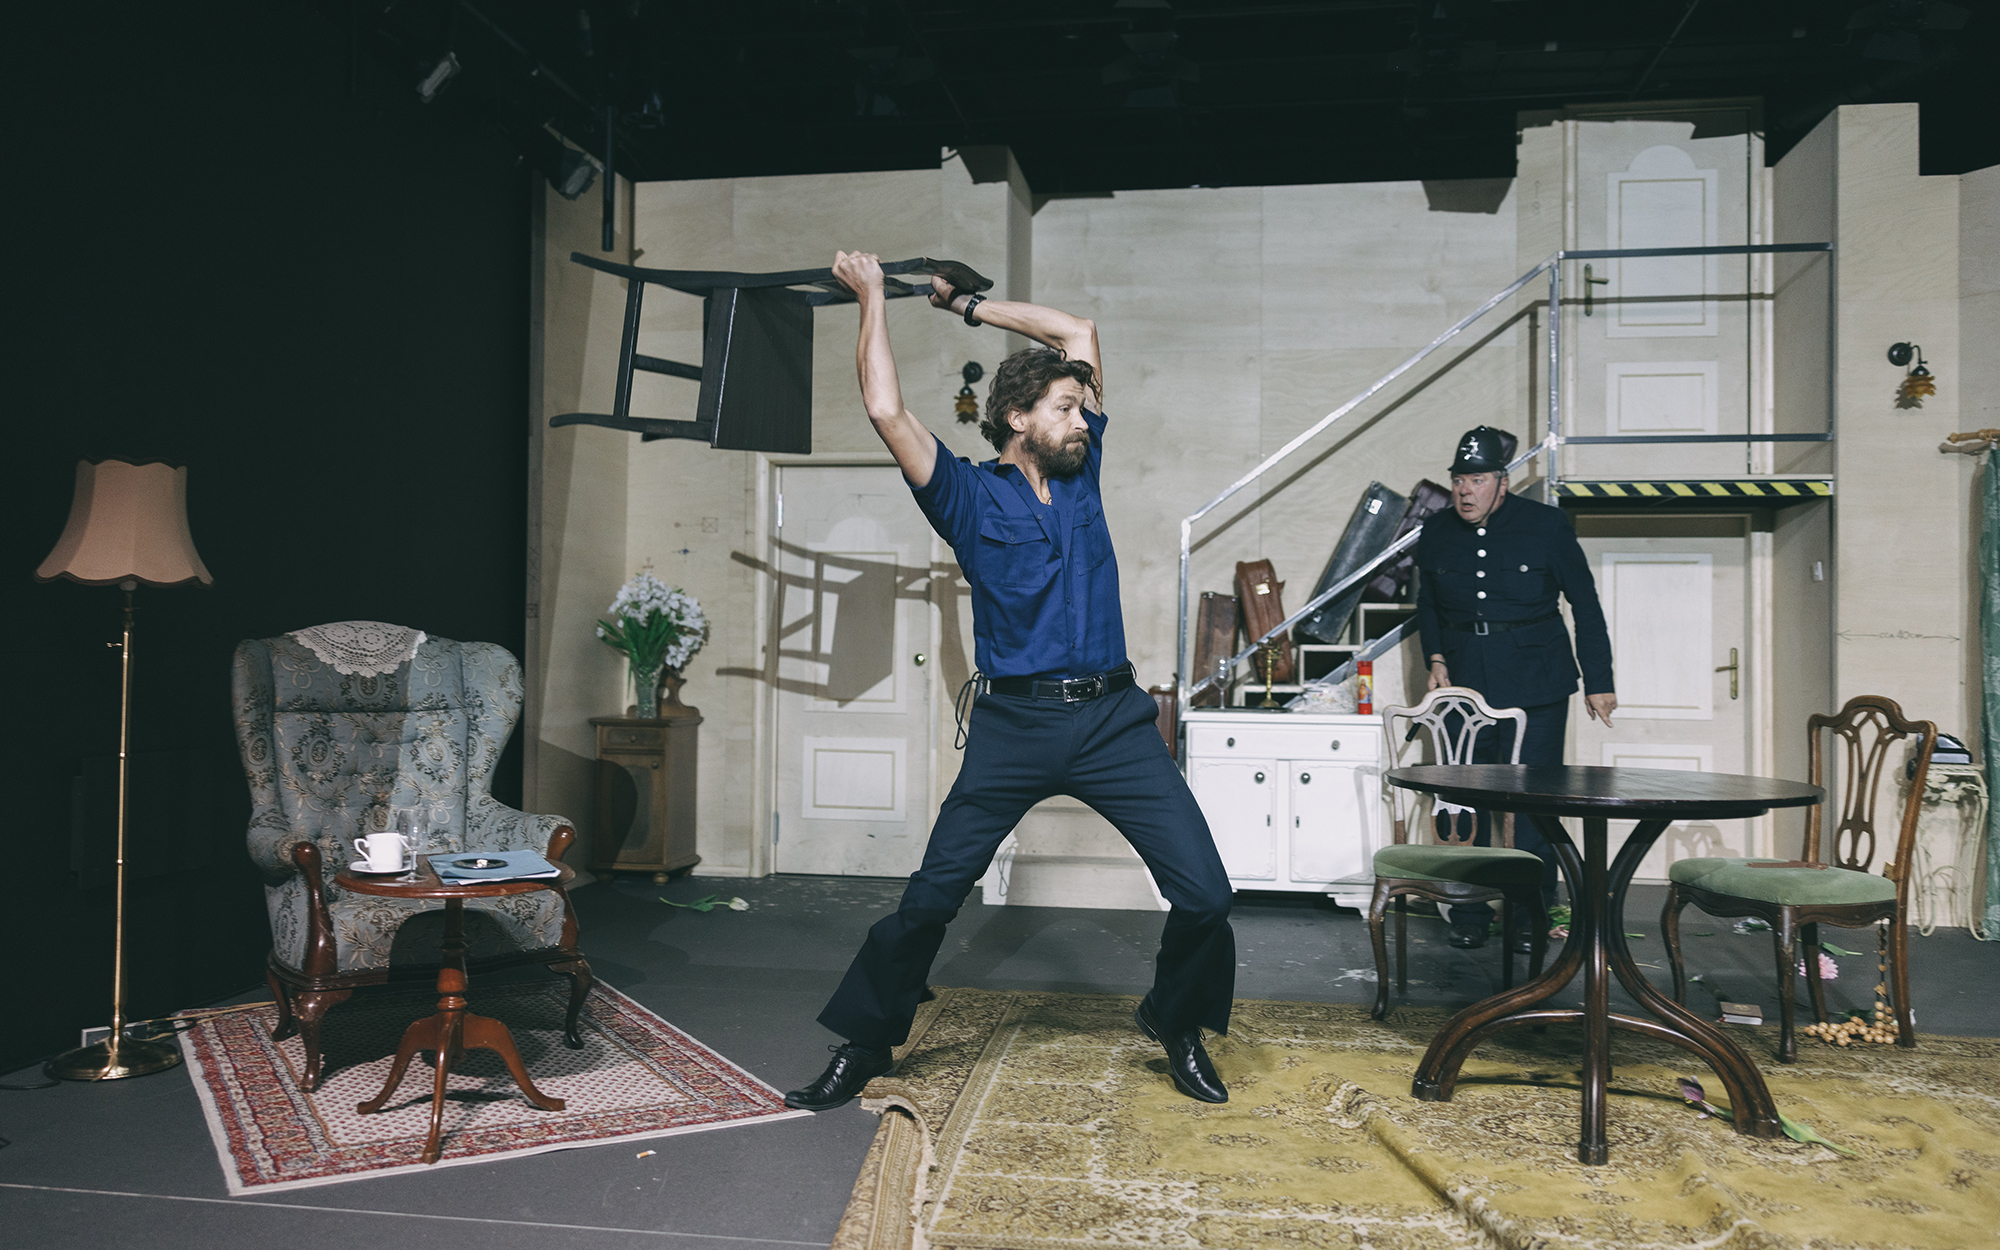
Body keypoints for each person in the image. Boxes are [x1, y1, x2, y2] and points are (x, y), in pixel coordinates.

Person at [782, 252, 1237, 1112]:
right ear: (1017, 418)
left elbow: (1077, 331)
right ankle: (867, 1042)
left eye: (1080, 405)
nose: (1082, 417)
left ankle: (1174, 1019)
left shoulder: (1081, 467)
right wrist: (873, 296)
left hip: (1113, 722)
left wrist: (968, 307)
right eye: (1065, 407)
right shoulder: (962, 495)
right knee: (930, 900)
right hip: (1014, 730)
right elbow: (886, 408)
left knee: (1207, 894)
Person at [1413, 426, 1617, 950]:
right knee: (1467, 797)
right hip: (1464, 683)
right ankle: (1470, 911)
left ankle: (1529, 914)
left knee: (1531, 801)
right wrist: (1436, 658)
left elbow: (1585, 603)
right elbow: (1428, 605)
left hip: (1537, 680)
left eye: (1477, 480)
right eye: (1459, 481)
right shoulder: (1436, 531)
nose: (1465, 491)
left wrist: (1599, 680)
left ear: (1502, 483)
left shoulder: (1545, 526)